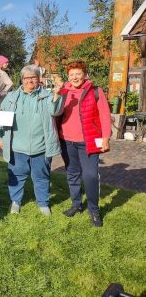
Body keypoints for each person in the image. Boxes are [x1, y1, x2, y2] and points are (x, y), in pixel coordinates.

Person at [0, 65, 64, 216]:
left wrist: (57, 95)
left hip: (40, 147)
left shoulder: (47, 96)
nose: (30, 81)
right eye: (27, 78)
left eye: (33, 77)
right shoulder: (12, 97)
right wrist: (1, 138)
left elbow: (56, 111)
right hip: (17, 147)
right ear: (22, 80)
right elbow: (1, 120)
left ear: (39, 79)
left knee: (41, 177)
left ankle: (43, 203)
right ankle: (15, 201)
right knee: (16, 176)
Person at [57, 61, 111, 227]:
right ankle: (76, 204)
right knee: (72, 174)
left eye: (78, 73)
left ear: (84, 74)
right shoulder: (63, 92)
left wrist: (106, 137)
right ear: (68, 76)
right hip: (66, 140)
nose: (75, 77)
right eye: (72, 74)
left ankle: (94, 210)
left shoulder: (95, 91)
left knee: (90, 175)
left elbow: (105, 115)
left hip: (88, 141)